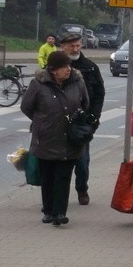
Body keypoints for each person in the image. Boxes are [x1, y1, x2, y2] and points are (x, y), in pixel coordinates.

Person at [20, 51, 89, 226]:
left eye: (69, 66)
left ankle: (60, 213)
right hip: (46, 138)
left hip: (69, 139)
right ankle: (48, 211)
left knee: (63, 177)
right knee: (48, 177)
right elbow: (26, 107)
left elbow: (85, 103)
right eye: (64, 67)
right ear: (53, 70)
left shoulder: (77, 82)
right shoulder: (38, 84)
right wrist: (41, 122)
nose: (68, 69)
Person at [58, 32, 105, 206]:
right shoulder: (55, 66)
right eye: (72, 46)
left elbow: (99, 93)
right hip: (59, 122)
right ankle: (57, 196)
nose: (75, 49)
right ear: (63, 47)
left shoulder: (90, 67)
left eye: (78, 45)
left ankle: (82, 189)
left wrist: (94, 117)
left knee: (82, 161)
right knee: (59, 163)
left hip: (82, 122)